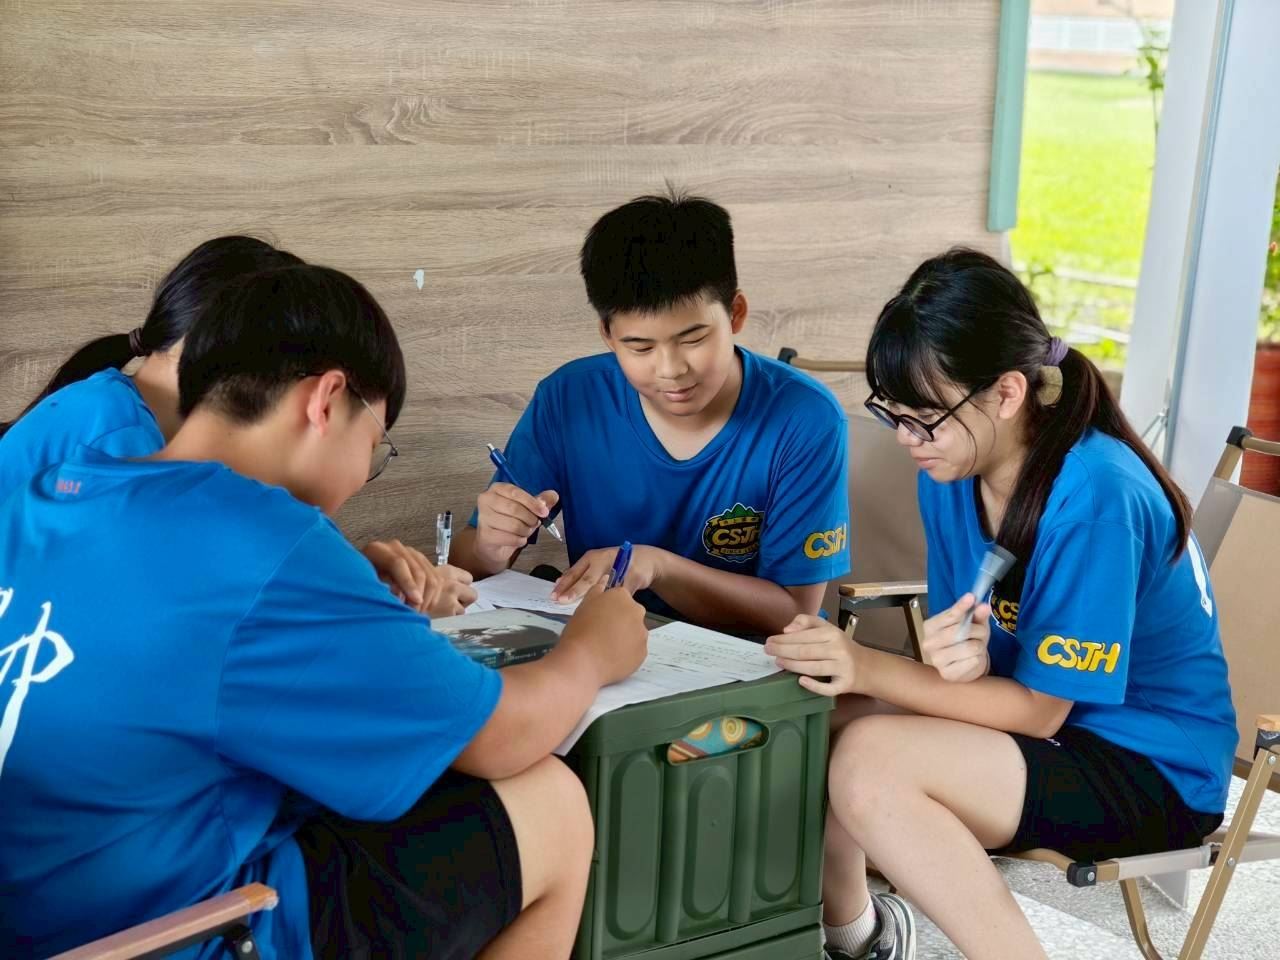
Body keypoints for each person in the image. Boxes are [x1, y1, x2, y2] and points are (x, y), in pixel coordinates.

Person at [0, 263, 649, 959]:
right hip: (165, 936)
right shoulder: (265, 540)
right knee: (550, 806)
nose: (360, 478)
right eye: (374, 447)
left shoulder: (55, 489)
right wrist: (591, 651)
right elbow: (498, 735)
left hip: (39, 918)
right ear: (327, 399)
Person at [764, 249, 1237, 960]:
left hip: (1152, 767)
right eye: (893, 414)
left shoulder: (1096, 496)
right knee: (819, 718)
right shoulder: (951, 469)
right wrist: (961, 660)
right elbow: (982, 649)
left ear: (1009, 393)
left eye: (926, 418)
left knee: (871, 759)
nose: (907, 440)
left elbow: (1041, 711)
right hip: (1057, 729)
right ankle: (860, 938)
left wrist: (865, 665)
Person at [0, 236, 472, 617]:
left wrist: (351, 583)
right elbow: (188, 604)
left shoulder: (123, 413)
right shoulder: (126, 445)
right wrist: (373, 607)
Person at [451, 191, 850, 635]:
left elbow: (795, 611)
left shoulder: (805, 418)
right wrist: (489, 544)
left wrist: (658, 567)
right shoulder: (569, 398)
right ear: (608, 335)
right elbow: (467, 567)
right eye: (640, 347)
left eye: (693, 339)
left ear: (736, 314)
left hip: (749, 659)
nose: (671, 370)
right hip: (602, 645)